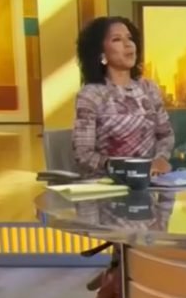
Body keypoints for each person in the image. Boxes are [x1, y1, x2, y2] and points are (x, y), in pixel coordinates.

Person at [72, 16, 174, 178]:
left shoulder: (148, 88)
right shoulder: (91, 95)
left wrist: (160, 159)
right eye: (117, 39)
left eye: (130, 38)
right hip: (109, 183)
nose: (128, 44)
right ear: (101, 53)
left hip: (151, 181)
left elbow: (165, 135)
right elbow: (84, 155)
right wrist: (123, 168)